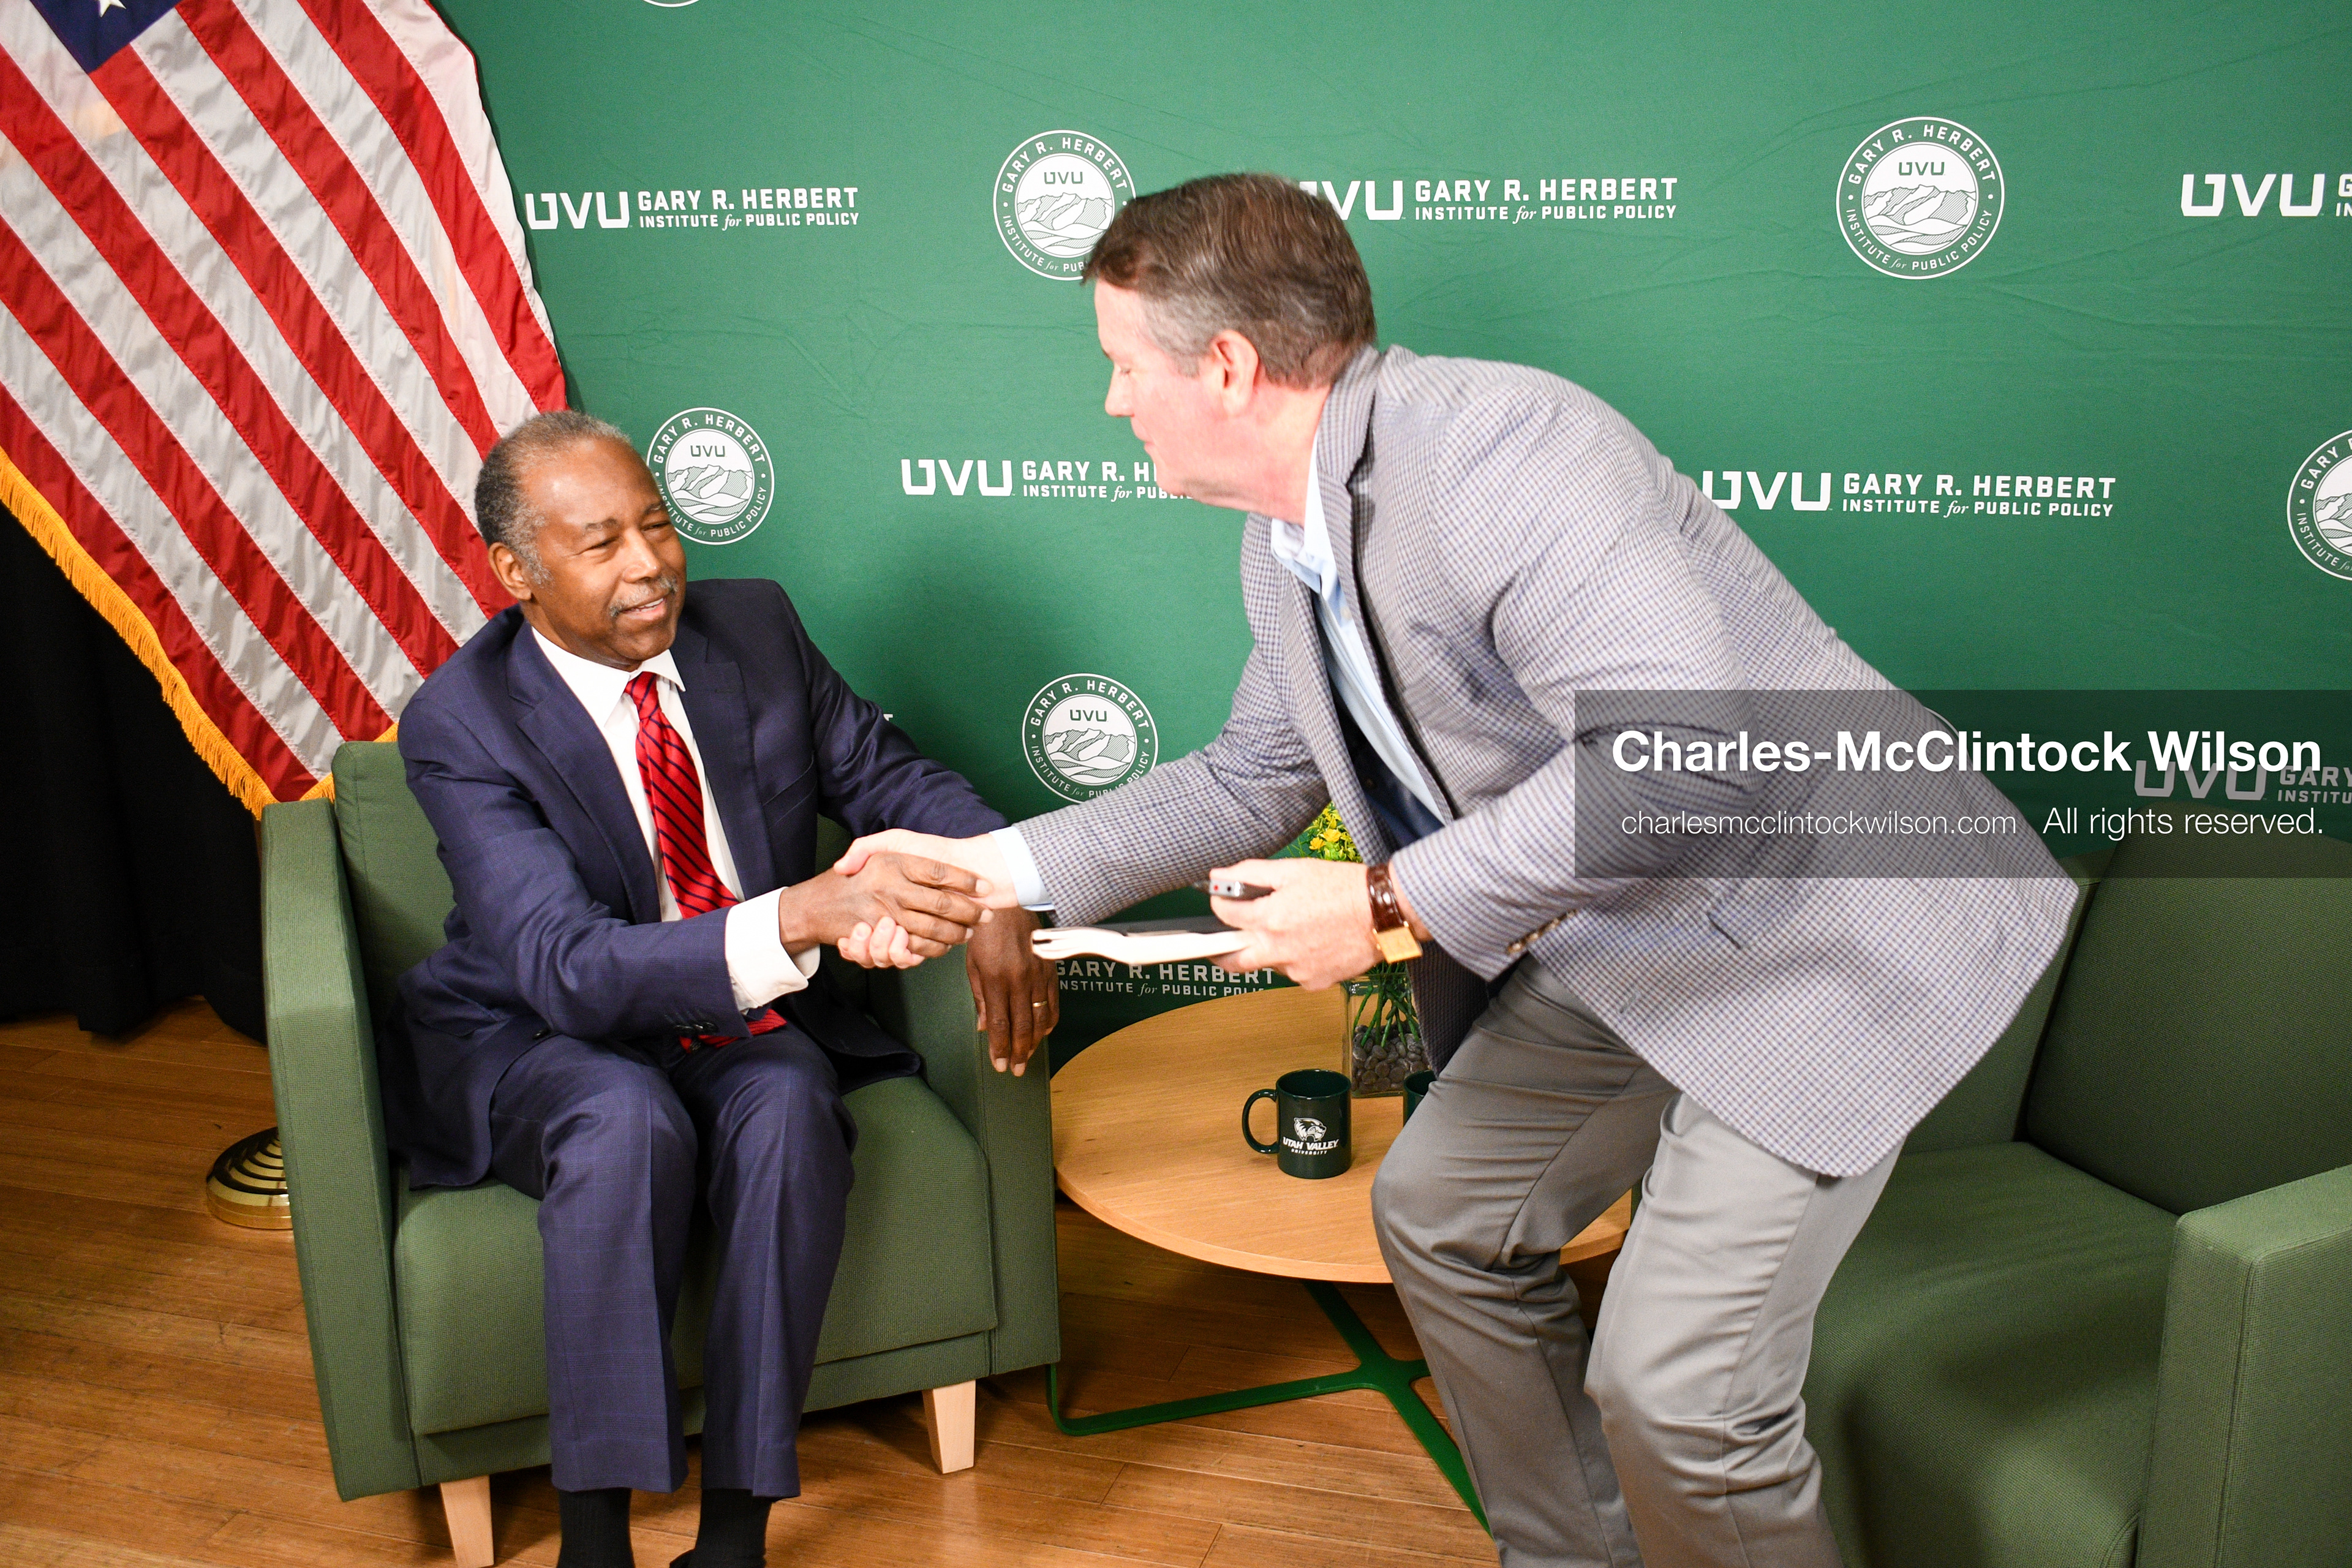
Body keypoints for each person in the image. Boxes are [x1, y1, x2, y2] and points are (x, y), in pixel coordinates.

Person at [841, 174, 2073, 1567]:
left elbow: (1680, 755)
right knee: (1443, 1217)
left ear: (1228, 366)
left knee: (1680, 1394)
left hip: (1816, 921)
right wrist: (983, 867)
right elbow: (1252, 774)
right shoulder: (1286, 536)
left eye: (1125, 364)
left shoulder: (1500, 450)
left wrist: (1385, 906)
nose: (1115, 400)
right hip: (1630, 920)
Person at [382, 411, 1059, 1568]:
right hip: (541, 1029)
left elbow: (887, 776)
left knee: (792, 1104)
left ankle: (735, 1538)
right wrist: (803, 914)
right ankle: (595, 1545)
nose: (650, 565)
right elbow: (565, 965)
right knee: (623, 1121)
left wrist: (1004, 889)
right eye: (602, 544)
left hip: (737, 1011)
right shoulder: (463, 721)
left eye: (657, 525)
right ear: (516, 573)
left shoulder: (753, 628)